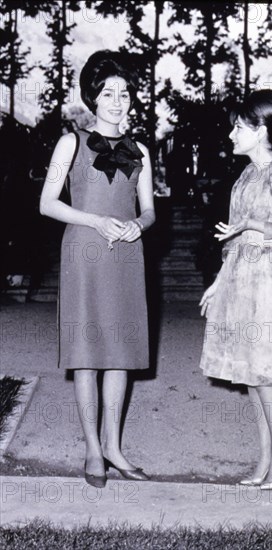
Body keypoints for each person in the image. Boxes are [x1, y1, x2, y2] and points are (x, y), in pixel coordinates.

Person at [40, 50, 155, 487]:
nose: (118, 100)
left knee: (120, 354)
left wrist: (137, 226)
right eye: (109, 92)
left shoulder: (141, 149)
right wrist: (96, 220)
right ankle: (92, 449)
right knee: (87, 355)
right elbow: (47, 204)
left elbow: (149, 210)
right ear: (93, 96)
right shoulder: (70, 142)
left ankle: (114, 447)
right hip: (84, 254)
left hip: (126, 254)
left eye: (124, 93)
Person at [199, 89, 272, 490]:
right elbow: (232, 237)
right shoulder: (246, 175)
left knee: (267, 374)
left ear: (262, 130)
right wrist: (218, 282)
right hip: (243, 280)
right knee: (251, 373)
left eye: (239, 127)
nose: (231, 134)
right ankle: (266, 458)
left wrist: (252, 227)